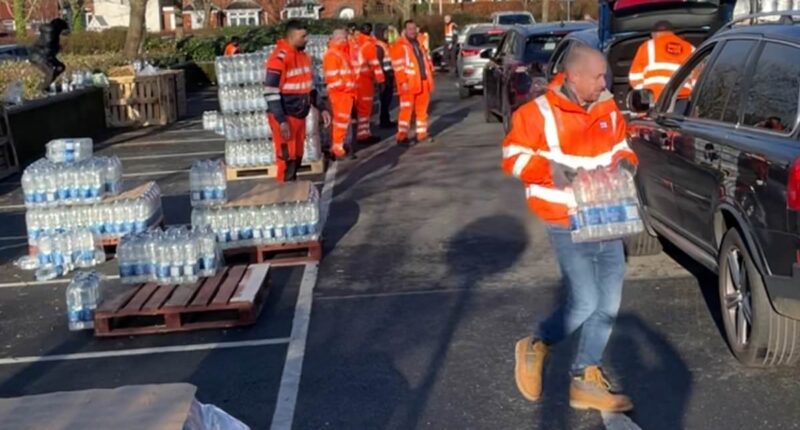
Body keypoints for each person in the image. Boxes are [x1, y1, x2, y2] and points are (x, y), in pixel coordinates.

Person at [502, 45, 638, 413]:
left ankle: (584, 376)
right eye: (597, 76)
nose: (604, 82)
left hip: (606, 216)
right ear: (574, 76)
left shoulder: (608, 107)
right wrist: (554, 173)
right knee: (586, 302)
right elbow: (513, 158)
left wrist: (625, 166)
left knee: (608, 304)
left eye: (605, 76)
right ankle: (537, 343)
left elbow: (623, 146)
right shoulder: (537, 113)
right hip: (565, 220)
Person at [264, 19, 331, 182]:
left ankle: (291, 188)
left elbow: (309, 86)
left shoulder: (303, 56)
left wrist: (322, 107)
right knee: (286, 158)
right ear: (292, 36)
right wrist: (281, 120)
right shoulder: (279, 59)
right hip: (285, 115)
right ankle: (284, 195)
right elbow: (271, 91)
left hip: (299, 113)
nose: (306, 39)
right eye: (303, 36)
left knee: (297, 156)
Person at [391, 19, 435, 146]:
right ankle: (402, 136)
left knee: (422, 111)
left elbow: (426, 60)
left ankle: (422, 134)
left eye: (414, 28)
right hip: (409, 83)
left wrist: (430, 73)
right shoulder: (399, 45)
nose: (412, 31)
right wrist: (402, 82)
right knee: (406, 111)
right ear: (405, 30)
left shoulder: (419, 43)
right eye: (409, 29)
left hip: (422, 81)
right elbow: (398, 67)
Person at [628, 20, 694, 101]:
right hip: (682, 100)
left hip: (655, 98)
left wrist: (645, 96)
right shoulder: (690, 48)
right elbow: (697, 78)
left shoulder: (647, 46)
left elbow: (634, 77)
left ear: (653, 34)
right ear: (672, 32)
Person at [323, 26, 358, 159]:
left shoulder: (339, 53)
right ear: (340, 38)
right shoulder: (333, 54)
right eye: (345, 37)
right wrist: (346, 87)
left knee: (343, 123)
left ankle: (339, 147)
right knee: (340, 123)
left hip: (345, 94)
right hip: (340, 95)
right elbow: (333, 78)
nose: (347, 40)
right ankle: (338, 149)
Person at [353, 23, 386, 145]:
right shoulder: (368, 45)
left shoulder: (355, 44)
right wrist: (381, 80)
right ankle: (363, 134)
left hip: (355, 80)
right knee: (365, 110)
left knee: (360, 109)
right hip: (364, 80)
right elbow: (374, 64)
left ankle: (363, 133)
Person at [30, 18, 69, 94]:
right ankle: (39, 90)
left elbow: (51, 46)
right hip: (39, 56)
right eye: (61, 31)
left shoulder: (53, 32)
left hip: (47, 55)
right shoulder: (50, 32)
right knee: (50, 72)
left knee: (60, 67)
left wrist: (56, 48)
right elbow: (48, 44)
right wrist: (56, 48)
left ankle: (46, 85)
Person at [374, 23, 396, 128]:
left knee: (387, 99)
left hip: (388, 74)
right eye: (385, 32)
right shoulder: (379, 46)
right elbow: (379, 63)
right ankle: (384, 121)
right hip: (384, 76)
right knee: (384, 99)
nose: (387, 34)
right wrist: (381, 78)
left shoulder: (384, 44)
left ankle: (386, 119)